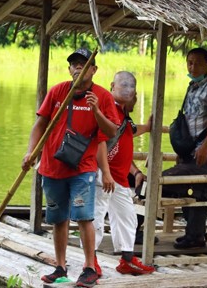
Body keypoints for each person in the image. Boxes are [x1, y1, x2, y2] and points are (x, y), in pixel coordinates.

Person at [21, 47, 119, 287]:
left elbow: (110, 132)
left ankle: (89, 268)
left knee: (84, 217)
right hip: (52, 167)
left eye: (83, 64)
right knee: (58, 219)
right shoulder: (58, 92)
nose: (78, 67)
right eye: (74, 64)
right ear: (69, 69)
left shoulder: (102, 97)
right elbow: (40, 124)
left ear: (93, 70)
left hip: (82, 169)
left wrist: (95, 110)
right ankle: (60, 267)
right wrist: (30, 152)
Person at [162, 47, 207, 249]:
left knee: (199, 190)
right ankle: (196, 233)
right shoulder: (192, 86)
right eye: (190, 62)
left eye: (198, 62)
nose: (193, 66)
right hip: (189, 149)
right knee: (187, 190)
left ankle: (195, 236)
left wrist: (205, 147)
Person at [93, 71, 155, 276]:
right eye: (124, 85)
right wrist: (104, 172)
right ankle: (90, 260)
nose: (129, 89)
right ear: (112, 86)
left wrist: (148, 127)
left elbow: (127, 133)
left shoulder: (122, 113)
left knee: (128, 217)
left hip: (118, 178)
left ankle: (127, 259)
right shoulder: (106, 108)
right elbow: (101, 140)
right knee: (97, 217)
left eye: (132, 86)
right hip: (102, 175)